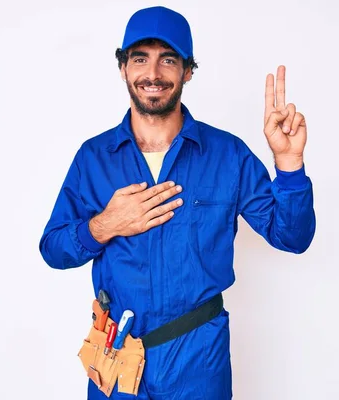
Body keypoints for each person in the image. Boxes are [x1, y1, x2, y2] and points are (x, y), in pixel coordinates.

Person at [39, 5, 315, 399]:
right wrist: (106, 225)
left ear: (187, 70)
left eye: (168, 59)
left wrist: (289, 165)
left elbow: (293, 237)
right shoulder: (93, 158)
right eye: (140, 59)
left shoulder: (227, 155)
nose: (153, 74)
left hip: (198, 362)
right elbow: (53, 249)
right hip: (116, 358)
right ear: (123, 68)